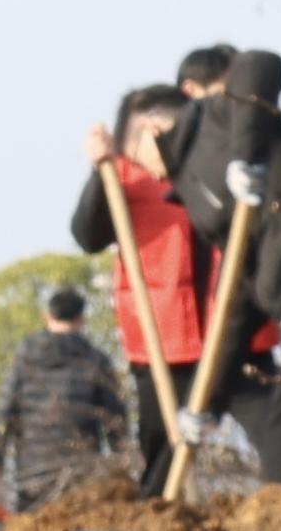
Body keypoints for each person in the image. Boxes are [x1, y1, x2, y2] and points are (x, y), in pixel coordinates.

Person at [177, 48, 281, 484]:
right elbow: (235, 309)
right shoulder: (197, 195)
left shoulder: (211, 120)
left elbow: (259, 64)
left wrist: (242, 155)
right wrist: (200, 402)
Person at [68, 83, 208, 488]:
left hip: (223, 326)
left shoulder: (206, 168)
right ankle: (162, 519)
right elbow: (87, 235)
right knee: (162, 443)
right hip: (160, 334)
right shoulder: (123, 174)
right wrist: (100, 169)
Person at [0, 278, 131, 511]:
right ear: (81, 319)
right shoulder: (96, 360)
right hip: (80, 471)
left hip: (32, 471)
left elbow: (5, 410)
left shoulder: (25, 356)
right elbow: (115, 420)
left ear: (48, 316)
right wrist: (122, 462)